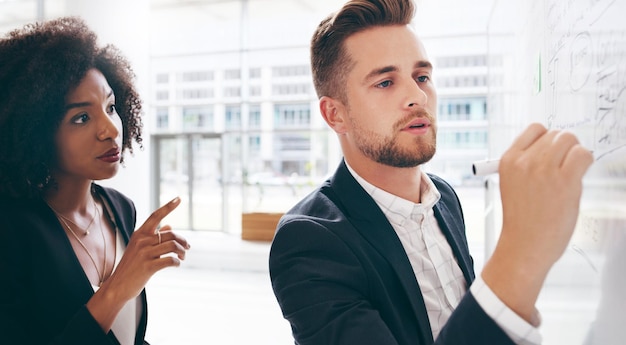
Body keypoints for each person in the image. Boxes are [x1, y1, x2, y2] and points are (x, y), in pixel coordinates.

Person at [268, 0, 594, 344]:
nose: (417, 95)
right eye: (385, 82)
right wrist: (520, 253)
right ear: (335, 115)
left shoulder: (445, 198)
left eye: (422, 76)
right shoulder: (309, 241)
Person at [0, 17, 191, 345]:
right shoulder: (11, 229)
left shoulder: (120, 208)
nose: (111, 129)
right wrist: (119, 287)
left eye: (111, 107)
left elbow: (129, 336)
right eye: (82, 118)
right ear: (34, 132)